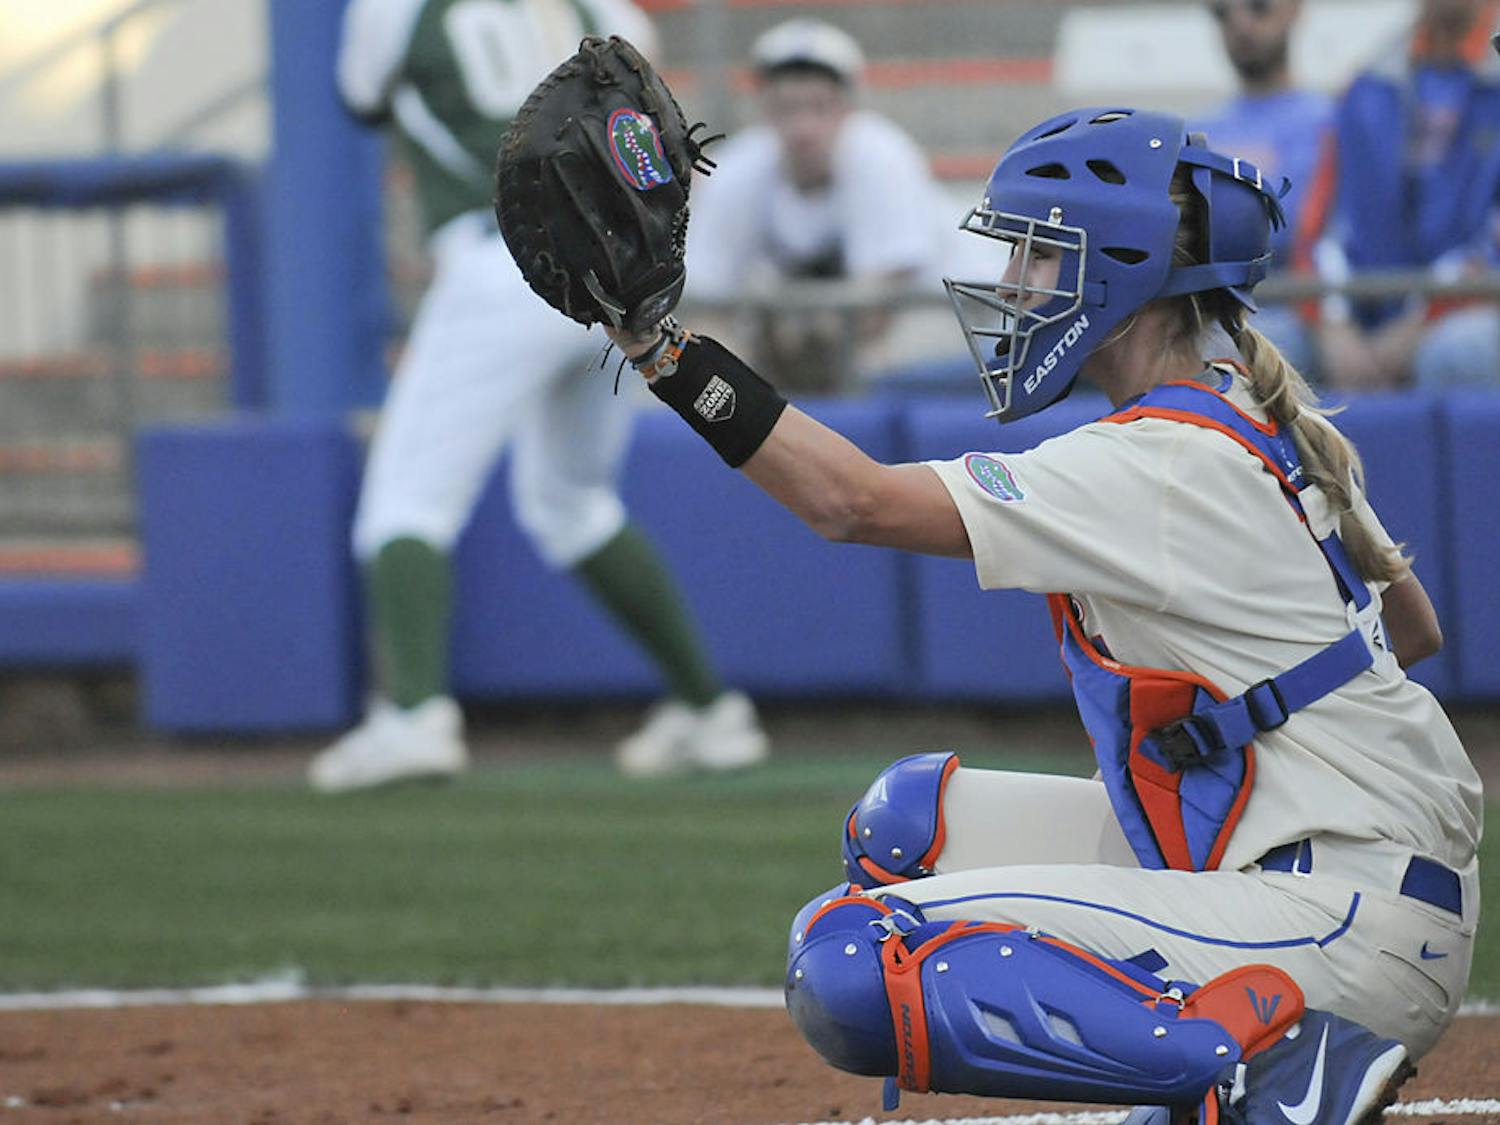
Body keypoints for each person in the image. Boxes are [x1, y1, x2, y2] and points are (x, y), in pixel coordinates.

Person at [601, 106, 1480, 1118]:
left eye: (1041, 252)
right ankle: (1244, 1038)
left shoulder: (1153, 457)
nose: (1017, 283)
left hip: (1335, 923)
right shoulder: (1253, 405)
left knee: (850, 957)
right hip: (1350, 881)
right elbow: (1410, 634)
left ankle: (1262, 1072)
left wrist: (663, 349)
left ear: (1126, 267)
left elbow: (852, 503)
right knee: (907, 824)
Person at [308, 0, 768, 792]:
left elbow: (362, 98)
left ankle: (414, 716)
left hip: (499, 257)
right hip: (611, 269)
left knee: (406, 504)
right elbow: (642, 104)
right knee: (572, 503)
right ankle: (710, 710)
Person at [683, 18, 972, 390]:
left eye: (819, 107)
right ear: (765, 110)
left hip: (939, 315)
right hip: (820, 332)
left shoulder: (881, 154)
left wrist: (795, 332)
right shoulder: (739, 168)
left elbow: (879, 305)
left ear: (846, 108)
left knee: (873, 368)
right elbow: (705, 302)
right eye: (788, 108)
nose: (804, 127)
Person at [1300, 0, 1500, 391]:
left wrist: (1421, 324)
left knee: (1459, 351)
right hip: (1364, 313)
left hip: (1472, 306)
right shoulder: (1366, 87)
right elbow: (1319, 227)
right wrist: (1334, 323)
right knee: (1267, 343)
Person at [1191, 0, 1331, 380]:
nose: (1240, 25)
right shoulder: (1196, 128)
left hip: (1287, 309)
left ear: (1294, 10)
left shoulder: (1327, 121)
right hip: (1209, 306)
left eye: (1258, 7)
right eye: (1222, 13)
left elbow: (1292, 229)